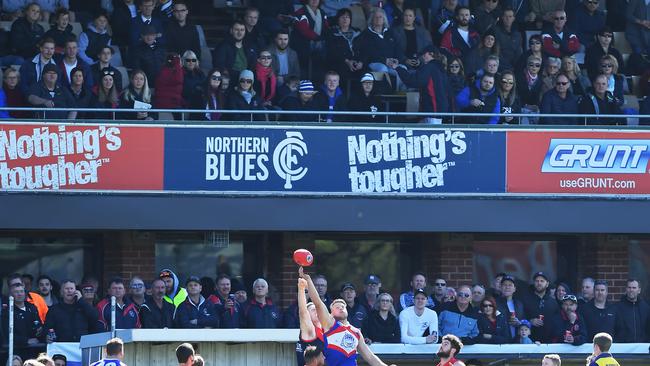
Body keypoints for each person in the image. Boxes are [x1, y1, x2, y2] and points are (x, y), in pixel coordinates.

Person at [301, 268, 396, 366]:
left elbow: (370, 357)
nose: (341, 308)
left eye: (343, 306)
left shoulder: (356, 332)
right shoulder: (329, 324)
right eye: (337, 307)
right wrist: (308, 280)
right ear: (331, 313)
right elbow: (318, 303)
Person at [390, 45, 449, 124]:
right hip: (438, 110)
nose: (423, 57)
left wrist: (397, 68)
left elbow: (414, 81)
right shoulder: (440, 68)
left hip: (432, 111)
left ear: (431, 54)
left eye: (424, 54)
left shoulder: (430, 67)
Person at [356, 7, 405, 91]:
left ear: (384, 19)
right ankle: (385, 92)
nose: (378, 19)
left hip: (390, 62)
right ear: (372, 19)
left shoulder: (390, 33)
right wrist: (384, 60)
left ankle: (399, 92)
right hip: (374, 62)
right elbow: (369, 53)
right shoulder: (366, 34)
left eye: (380, 17)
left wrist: (397, 60)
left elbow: (397, 48)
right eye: (376, 17)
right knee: (382, 68)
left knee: (402, 68)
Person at [1, 283, 43, 360]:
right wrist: (26, 341)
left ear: (25, 293)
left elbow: (38, 324)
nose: (19, 294)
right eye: (16, 292)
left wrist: (40, 331)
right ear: (11, 295)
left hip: (35, 350)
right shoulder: (7, 311)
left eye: (21, 291)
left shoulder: (32, 307)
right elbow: (7, 333)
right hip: (17, 352)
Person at [290, 0, 329, 79]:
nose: (315, 0)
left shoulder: (322, 12)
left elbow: (326, 29)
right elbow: (304, 31)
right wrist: (319, 39)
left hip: (317, 43)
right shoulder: (300, 12)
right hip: (302, 44)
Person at [324, 8, 362, 83]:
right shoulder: (332, 33)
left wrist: (361, 62)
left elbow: (364, 49)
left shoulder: (357, 32)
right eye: (342, 17)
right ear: (338, 19)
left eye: (347, 17)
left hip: (357, 62)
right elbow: (332, 51)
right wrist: (347, 61)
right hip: (340, 62)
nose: (345, 19)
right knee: (343, 70)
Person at [521, 272, 559, 343]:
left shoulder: (553, 302)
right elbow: (520, 318)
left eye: (542, 281)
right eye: (537, 281)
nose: (539, 283)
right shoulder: (525, 300)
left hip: (549, 343)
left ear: (547, 284)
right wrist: (530, 321)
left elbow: (557, 322)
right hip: (529, 343)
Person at [440, 7, 480, 73]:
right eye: (462, 15)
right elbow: (443, 49)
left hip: (473, 70)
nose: (464, 17)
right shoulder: (450, 33)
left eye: (467, 15)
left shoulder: (475, 34)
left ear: (470, 17)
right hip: (456, 69)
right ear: (457, 17)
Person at [296, 276, 324, 366]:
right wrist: (301, 289)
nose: (316, 311)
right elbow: (303, 312)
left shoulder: (324, 330)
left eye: (317, 309)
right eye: (312, 310)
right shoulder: (310, 330)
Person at [613, 278, 649, 342]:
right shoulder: (617, 308)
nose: (631, 290)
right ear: (626, 289)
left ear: (639, 290)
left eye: (634, 288)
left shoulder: (646, 308)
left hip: (642, 348)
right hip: (623, 348)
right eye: (629, 287)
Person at [496, 275, 525, 340]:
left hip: (517, 341)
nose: (507, 287)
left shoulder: (520, 304)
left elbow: (524, 321)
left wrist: (519, 323)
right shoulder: (494, 303)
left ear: (514, 289)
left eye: (510, 285)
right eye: (504, 285)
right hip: (500, 341)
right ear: (500, 287)